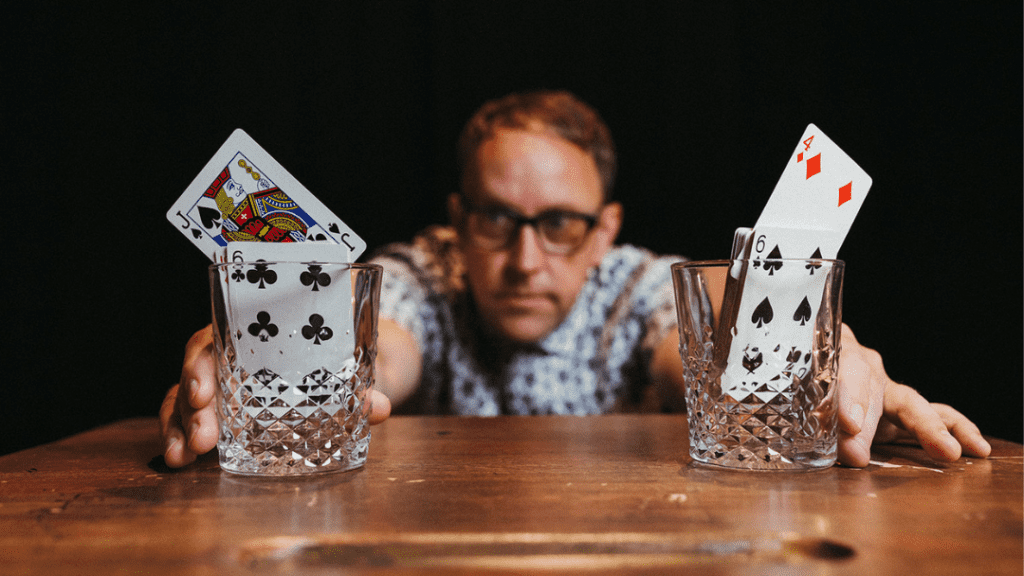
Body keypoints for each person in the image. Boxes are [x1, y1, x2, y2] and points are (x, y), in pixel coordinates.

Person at [161, 90, 990, 469]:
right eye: (496, 220)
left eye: (559, 225)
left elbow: (693, 343)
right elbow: (386, 342)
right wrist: (283, 342)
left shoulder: (637, 288)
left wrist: (804, 355)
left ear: (606, 231)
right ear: (458, 219)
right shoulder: (423, 273)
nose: (526, 261)